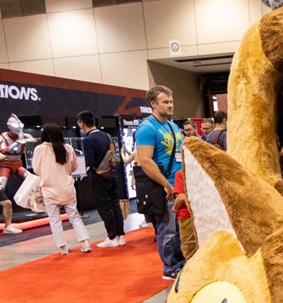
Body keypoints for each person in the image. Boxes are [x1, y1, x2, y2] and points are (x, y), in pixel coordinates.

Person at [135, 85, 186, 280]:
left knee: (181, 229)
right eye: (165, 102)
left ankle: (181, 262)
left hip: (179, 184)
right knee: (168, 229)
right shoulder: (147, 128)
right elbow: (145, 161)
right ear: (153, 104)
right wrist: (166, 185)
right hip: (164, 186)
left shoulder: (172, 126)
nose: (170, 105)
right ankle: (170, 267)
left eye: (171, 101)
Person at [32, 124, 92, 255]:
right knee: (75, 217)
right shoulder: (68, 147)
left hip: (49, 189)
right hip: (67, 188)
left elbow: (36, 169)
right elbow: (74, 166)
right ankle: (85, 243)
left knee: (54, 220)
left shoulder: (39, 149)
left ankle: (63, 247)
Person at [78, 110, 125, 248]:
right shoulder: (107, 136)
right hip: (112, 174)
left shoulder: (88, 140)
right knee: (115, 204)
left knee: (105, 207)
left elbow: (90, 161)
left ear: (81, 123)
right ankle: (121, 235)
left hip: (99, 177)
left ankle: (112, 236)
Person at [0, 114, 35, 191]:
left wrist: (23, 138)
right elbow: (5, 150)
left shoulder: (23, 136)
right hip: (6, 164)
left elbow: (34, 140)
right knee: (0, 187)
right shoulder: (1, 137)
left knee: (32, 180)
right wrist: (18, 142)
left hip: (18, 164)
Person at [172, 169, 197, 259]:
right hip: (203, 214)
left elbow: (181, 197)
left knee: (190, 251)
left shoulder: (181, 173)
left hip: (187, 215)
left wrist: (174, 208)